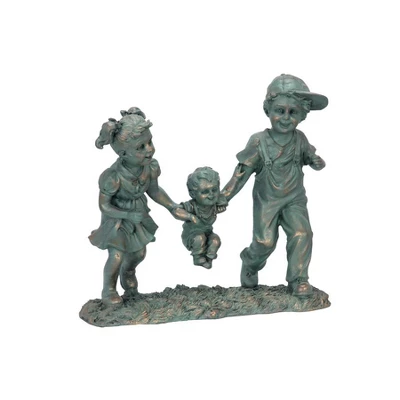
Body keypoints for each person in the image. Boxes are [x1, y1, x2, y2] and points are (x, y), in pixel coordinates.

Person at [222, 74, 328, 296]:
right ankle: (250, 262)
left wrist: (316, 162)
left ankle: (299, 279)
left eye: (293, 112)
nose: (286, 118)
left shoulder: (300, 139)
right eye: (280, 110)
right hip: (267, 200)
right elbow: (242, 172)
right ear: (268, 110)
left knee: (302, 233)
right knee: (264, 242)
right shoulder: (259, 141)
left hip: (294, 199)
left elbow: (310, 157)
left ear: (302, 115)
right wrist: (225, 195)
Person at [89, 107, 195, 305]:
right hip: (117, 220)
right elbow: (104, 206)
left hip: (138, 213)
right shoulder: (112, 177)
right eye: (141, 147)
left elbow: (154, 190)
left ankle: (128, 272)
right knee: (116, 254)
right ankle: (108, 289)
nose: (149, 149)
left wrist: (172, 206)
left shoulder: (150, 167)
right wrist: (127, 215)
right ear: (123, 153)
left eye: (150, 142)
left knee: (139, 252)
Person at [180, 167, 227, 269]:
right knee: (199, 238)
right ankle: (198, 258)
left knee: (215, 240)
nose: (211, 195)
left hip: (207, 233)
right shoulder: (191, 206)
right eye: (205, 192)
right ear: (193, 194)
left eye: (214, 190)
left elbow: (228, 193)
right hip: (191, 236)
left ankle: (209, 258)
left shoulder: (214, 204)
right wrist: (191, 217)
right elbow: (177, 210)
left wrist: (222, 204)